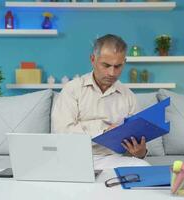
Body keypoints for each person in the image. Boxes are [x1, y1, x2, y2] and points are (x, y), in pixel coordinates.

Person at [51, 34, 149, 169]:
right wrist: (103, 132)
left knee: (143, 166)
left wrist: (140, 152)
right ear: (93, 59)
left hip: (113, 159)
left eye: (118, 66)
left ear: (124, 62)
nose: (112, 73)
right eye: (106, 65)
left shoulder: (128, 96)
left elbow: (136, 140)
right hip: (75, 157)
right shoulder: (72, 90)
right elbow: (63, 132)